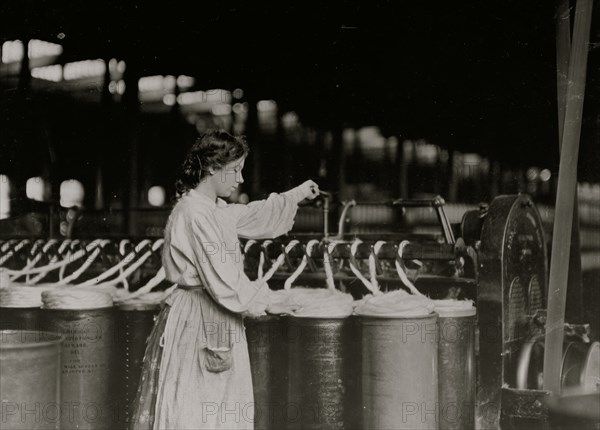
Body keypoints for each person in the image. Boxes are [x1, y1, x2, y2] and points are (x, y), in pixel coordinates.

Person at [130, 129, 320, 429]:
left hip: (215, 314)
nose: (240, 179)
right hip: (199, 318)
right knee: (197, 408)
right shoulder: (195, 214)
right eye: (235, 171)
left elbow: (254, 215)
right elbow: (226, 281)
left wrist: (296, 195)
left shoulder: (212, 210)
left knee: (219, 406)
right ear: (212, 168)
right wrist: (270, 302)